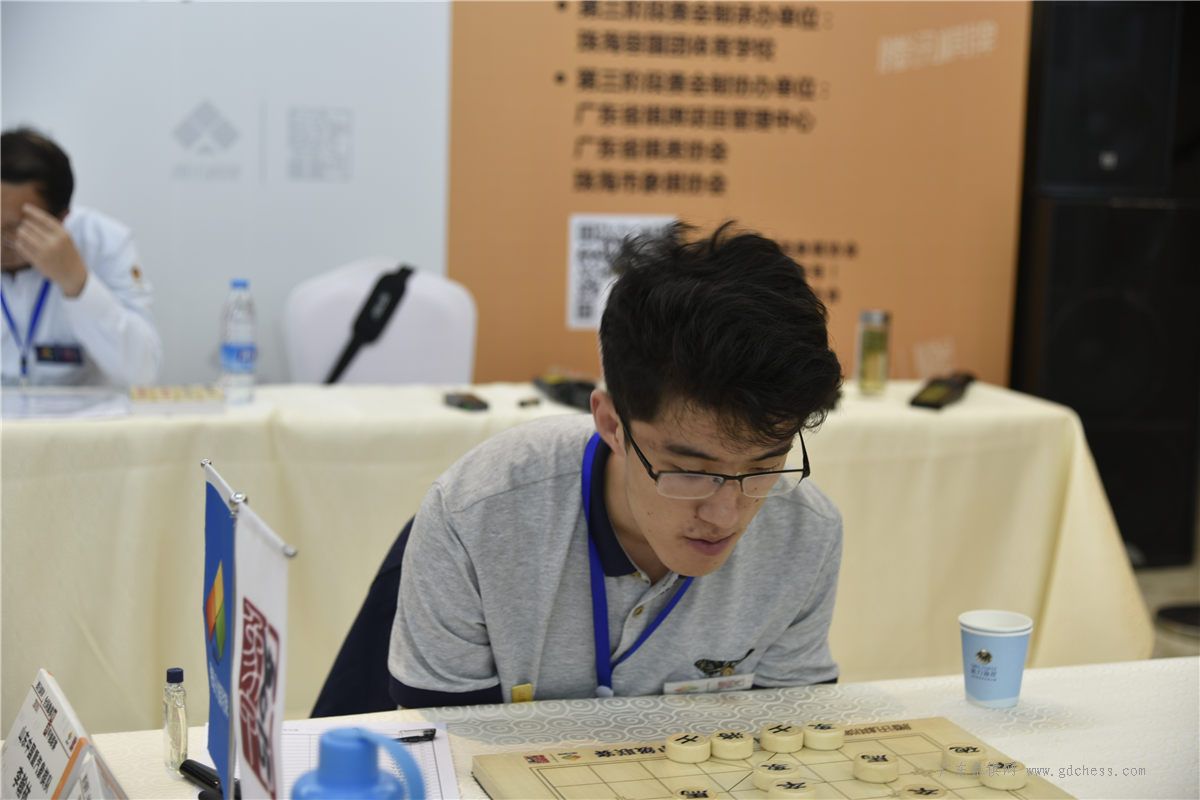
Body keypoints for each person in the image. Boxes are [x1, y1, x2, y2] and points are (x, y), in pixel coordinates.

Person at [388, 222, 844, 708]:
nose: (725, 515)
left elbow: (788, 730)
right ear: (610, 422)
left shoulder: (806, 533)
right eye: (691, 471)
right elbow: (446, 741)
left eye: (763, 466)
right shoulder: (476, 516)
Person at [1, 127, 161, 386]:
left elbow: (141, 373)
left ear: (62, 218)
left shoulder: (104, 242)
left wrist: (77, 282)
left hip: (80, 411)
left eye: (15, 228)